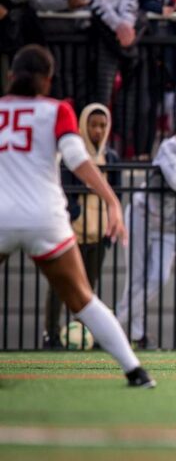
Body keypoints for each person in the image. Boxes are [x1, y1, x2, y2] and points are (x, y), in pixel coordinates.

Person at [0, 44, 155, 387]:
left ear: (11, 76)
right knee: (82, 298)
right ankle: (135, 371)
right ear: (47, 80)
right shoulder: (58, 111)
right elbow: (76, 158)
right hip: (45, 216)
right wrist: (112, 200)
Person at [117, 115, 176, 349]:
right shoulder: (168, 147)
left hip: (169, 224)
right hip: (142, 214)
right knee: (136, 277)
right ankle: (137, 334)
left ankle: (116, 322)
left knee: (159, 276)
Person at [43, 102, 121, 349]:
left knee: (88, 288)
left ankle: (86, 333)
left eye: (102, 125)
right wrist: (73, 214)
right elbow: (66, 190)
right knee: (61, 285)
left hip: (98, 232)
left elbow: (116, 192)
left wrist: (110, 226)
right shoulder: (72, 156)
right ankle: (51, 334)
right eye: (93, 125)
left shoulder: (110, 157)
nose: (98, 130)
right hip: (73, 232)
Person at [81, 0, 143, 156]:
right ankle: (95, 150)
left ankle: (122, 151)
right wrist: (116, 25)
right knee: (100, 93)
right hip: (100, 32)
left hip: (127, 32)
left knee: (132, 92)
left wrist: (126, 23)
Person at [137, 0, 176, 156]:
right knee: (145, 105)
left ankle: (172, 153)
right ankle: (142, 151)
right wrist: (160, 8)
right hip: (147, 51)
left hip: (169, 54)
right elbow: (141, 3)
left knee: (166, 105)